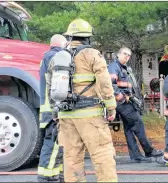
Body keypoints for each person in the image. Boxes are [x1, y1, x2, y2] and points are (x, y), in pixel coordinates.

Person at [49, 18, 118, 182]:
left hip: (66, 116)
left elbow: (50, 86)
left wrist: (55, 111)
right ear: (88, 37)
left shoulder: (58, 58)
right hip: (90, 115)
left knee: (72, 159)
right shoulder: (92, 54)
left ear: (70, 37)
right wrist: (111, 107)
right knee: (102, 155)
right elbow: (104, 83)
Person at [108, 47, 163, 163]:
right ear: (118, 54)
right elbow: (110, 85)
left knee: (129, 128)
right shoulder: (114, 67)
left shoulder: (124, 68)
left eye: (128, 55)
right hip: (122, 102)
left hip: (124, 101)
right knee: (138, 123)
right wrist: (122, 97)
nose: (126, 57)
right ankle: (149, 151)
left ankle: (136, 156)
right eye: (124, 54)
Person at [37, 34, 67, 182]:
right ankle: (47, 177)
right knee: (53, 143)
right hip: (53, 110)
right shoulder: (55, 57)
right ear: (62, 44)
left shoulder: (46, 57)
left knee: (57, 144)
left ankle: (57, 174)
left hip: (47, 109)